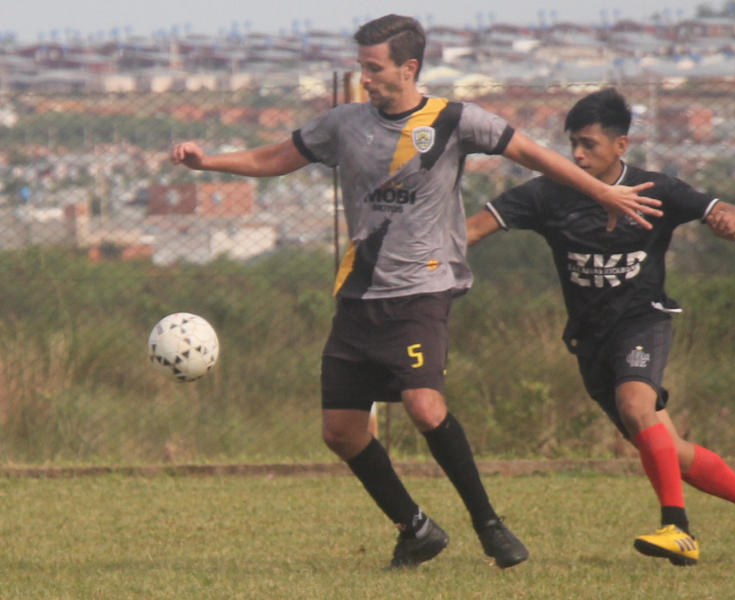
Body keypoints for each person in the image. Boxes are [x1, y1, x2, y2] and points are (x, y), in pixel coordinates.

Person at [170, 16, 662, 570]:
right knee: (340, 432)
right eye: (361, 67)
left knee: (424, 407)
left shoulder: (455, 119)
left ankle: (490, 525)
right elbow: (273, 159)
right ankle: (417, 529)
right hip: (360, 293)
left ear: (409, 68)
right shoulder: (343, 124)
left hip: (422, 290)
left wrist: (601, 192)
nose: (364, 78)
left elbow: (530, 154)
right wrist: (207, 162)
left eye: (374, 68)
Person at [466, 88, 735, 566]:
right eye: (573, 144)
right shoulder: (547, 193)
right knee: (666, 450)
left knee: (636, 405)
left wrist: (734, 222)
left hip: (643, 320)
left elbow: (727, 210)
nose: (578, 155)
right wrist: (410, 254)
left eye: (589, 144)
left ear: (621, 145)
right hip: (590, 338)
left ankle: (677, 529)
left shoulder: (655, 190)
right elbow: (472, 230)